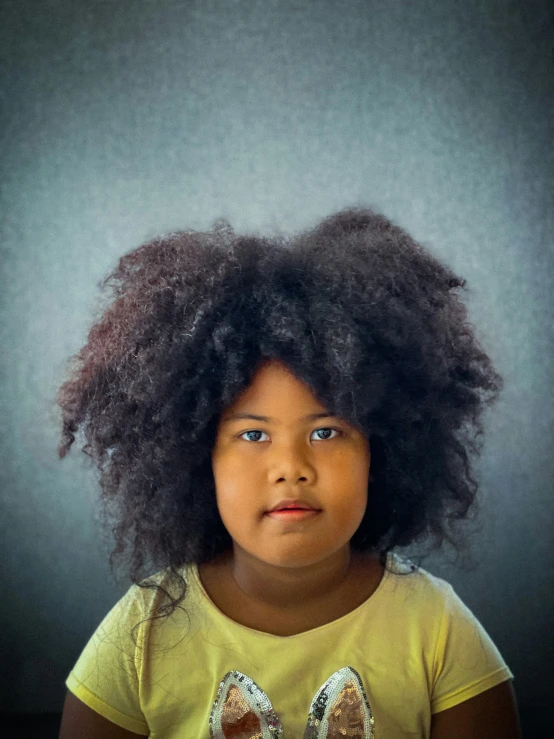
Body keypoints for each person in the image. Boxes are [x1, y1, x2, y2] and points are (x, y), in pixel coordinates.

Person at [57, 207, 522, 738]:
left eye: (325, 432)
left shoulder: (438, 631)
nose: (291, 469)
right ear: (193, 457)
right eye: (253, 435)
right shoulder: (143, 634)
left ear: (384, 450)